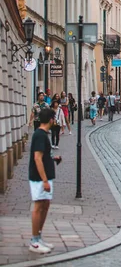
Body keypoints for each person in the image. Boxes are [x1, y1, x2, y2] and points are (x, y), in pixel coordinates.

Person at [29, 107, 62, 254]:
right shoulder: (40, 135)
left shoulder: (42, 135)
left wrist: (52, 159)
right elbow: (37, 158)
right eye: (53, 118)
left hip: (45, 176)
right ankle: (34, 241)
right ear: (50, 120)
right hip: (39, 178)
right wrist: (44, 180)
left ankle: (39, 237)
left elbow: (42, 156)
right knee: (38, 207)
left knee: (45, 205)